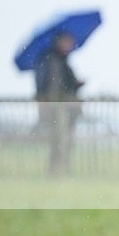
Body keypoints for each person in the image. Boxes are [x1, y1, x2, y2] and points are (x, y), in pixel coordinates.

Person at [34, 33, 84, 175]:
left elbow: (65, 84)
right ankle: (58, 171)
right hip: (59, 108)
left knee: (63, 141)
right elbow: (55, 87)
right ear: (59, 42)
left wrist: (76, 84)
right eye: (67, 42)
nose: (70, 45)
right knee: (59, 141)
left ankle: (60, 170)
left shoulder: (60, 61)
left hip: (64, 108)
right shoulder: (53, 61)